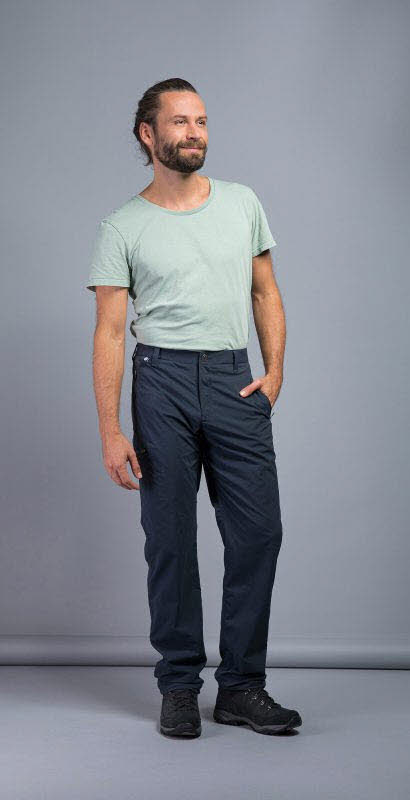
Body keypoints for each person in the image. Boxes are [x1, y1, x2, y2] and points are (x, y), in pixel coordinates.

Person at [86, 78, 302, 738]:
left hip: (234, 379)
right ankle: (179, 686)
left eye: (201, 121)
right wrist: (111, 429)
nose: (194, 133)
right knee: (172, 540)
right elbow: (110, 332)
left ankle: (241, 687)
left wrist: (274, 372)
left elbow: (265, 292)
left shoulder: (242, 203)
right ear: (147, 134)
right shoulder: (122, 226)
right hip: (162, 383)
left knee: (258, 534)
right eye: (179, 122)